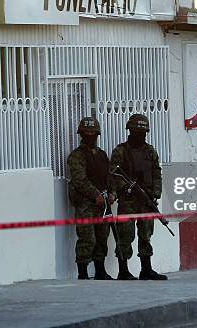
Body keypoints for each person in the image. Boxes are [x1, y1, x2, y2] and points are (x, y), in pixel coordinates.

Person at [110, 114, 167, 280]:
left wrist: (155, 194)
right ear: (130, 131)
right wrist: (125, 188)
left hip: (146, 199)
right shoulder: (120, 151)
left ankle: (146, 269)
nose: (140, 136)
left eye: (142, 133)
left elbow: (157, 173)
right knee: (125, 234)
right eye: (136, 132)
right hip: (128, 200)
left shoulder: (150, 151)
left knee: (146, 234)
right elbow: (114, 175)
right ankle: (123, 270)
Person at [67, 117, 116, 280]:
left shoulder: (102, 155)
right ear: (81, 135)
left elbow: (109, 177)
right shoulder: (76, 156)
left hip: (102, 204)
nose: (90, 136)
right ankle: (83, 272)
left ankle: (100, 271)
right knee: (87, 238)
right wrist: (95, 195)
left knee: (102, 237)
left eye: (93, 134)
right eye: (87, 134)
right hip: (85, 204)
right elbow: (80, 179)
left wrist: (112, 193)